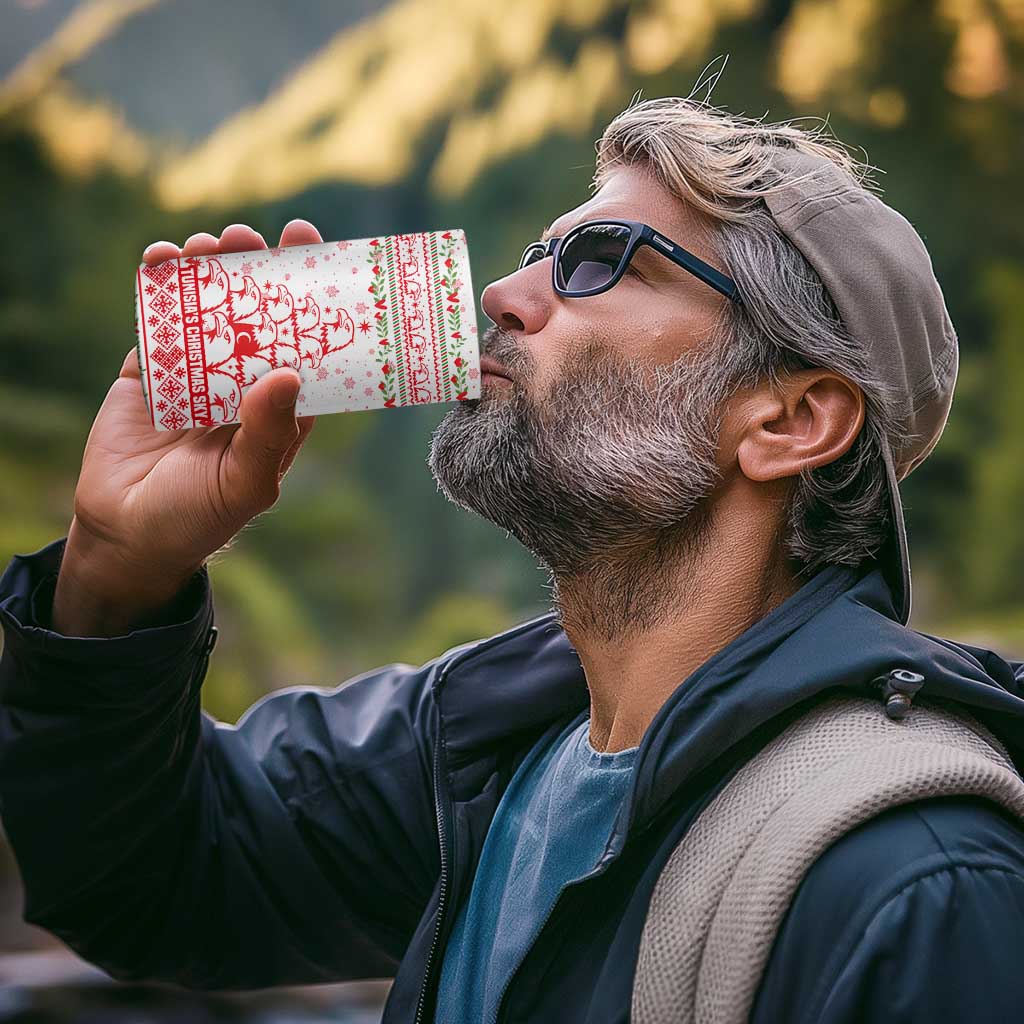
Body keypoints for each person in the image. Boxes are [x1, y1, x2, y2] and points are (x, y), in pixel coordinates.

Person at [2, 94, 1024, 1024]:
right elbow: (148, 880)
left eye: (599, 261)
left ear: (790, 419)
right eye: (540, 252)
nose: (502, 291)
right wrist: (115, 571)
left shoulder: (918, 884)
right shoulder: (480, 749)